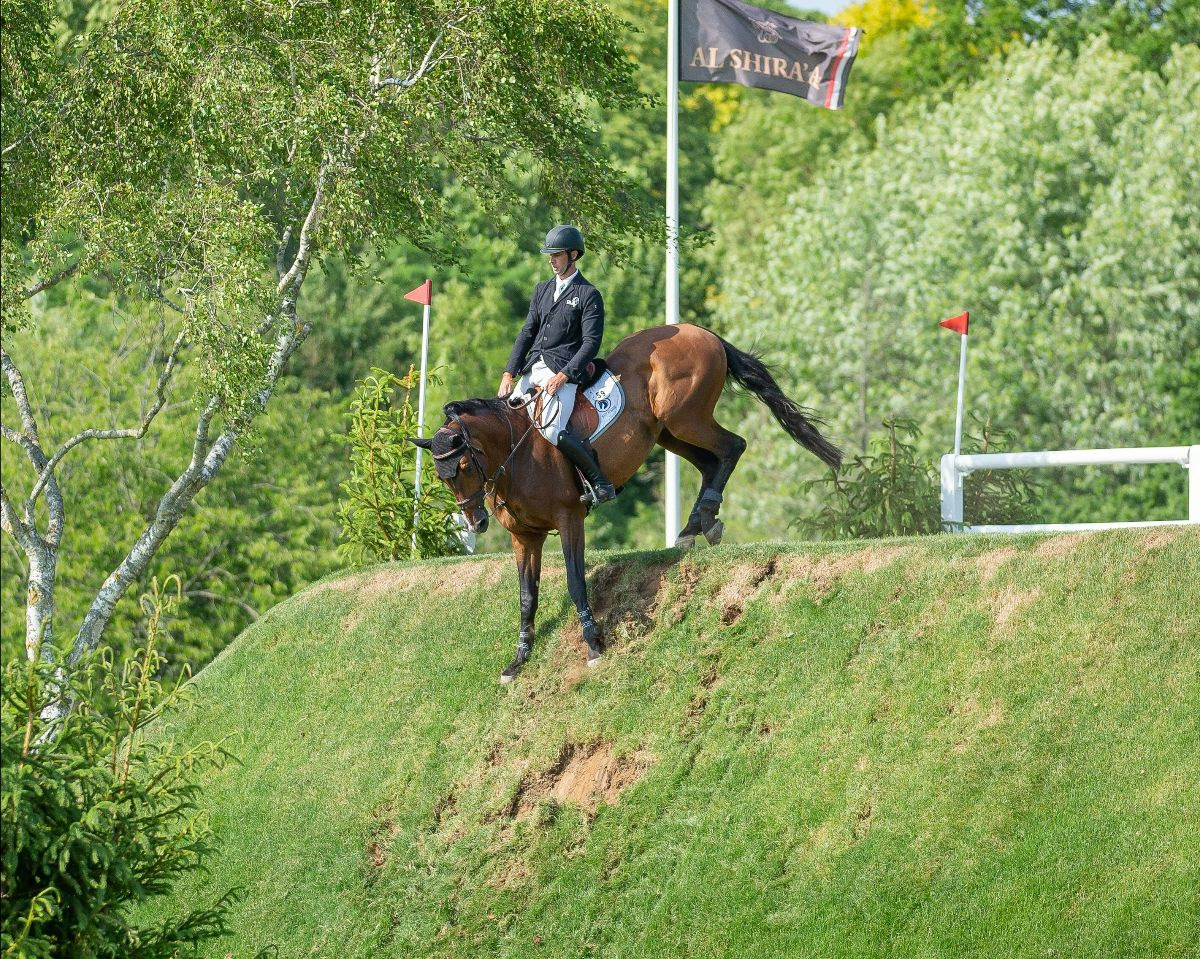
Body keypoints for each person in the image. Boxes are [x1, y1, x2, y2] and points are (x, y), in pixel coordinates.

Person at [497, 224, 617, 505]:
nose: (551, 260)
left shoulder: (588, 294)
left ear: (573, 255)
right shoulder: (542, 290)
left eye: (557, 255)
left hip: (564, 370)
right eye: (549, 255)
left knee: (552, 430)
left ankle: (600, 483)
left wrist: (564, 376)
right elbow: (527, 332)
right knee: (507, 418)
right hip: (533, 367)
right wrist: (508, 373)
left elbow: (591, 343)